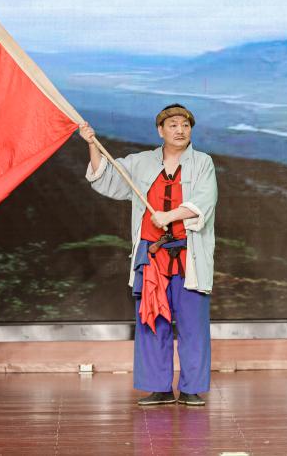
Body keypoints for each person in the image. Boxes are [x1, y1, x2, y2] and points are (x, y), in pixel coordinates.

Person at [79, 104, 217, 407]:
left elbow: (204, 202)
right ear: (160, 131)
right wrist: (92, 144)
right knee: (153, 320)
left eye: (185, 125)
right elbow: (106, 178)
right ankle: (159, 387)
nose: (180, 130)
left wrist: (168, 216)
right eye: (173, 125)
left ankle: (192, 388)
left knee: (193, 324)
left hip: (189, 257)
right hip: (152, 258)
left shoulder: (202, 163)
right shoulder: (140, 162)